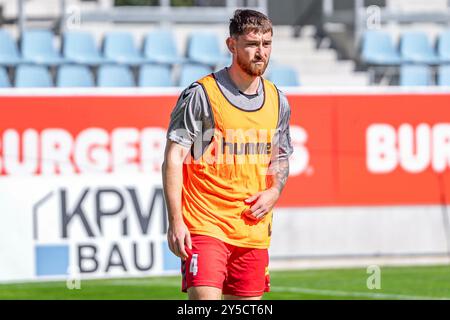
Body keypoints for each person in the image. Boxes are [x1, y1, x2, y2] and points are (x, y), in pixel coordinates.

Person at [162, 9, 293, 300]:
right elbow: (173, 157)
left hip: (252, 231)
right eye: (251, 44)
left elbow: (281, 157)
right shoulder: (202, 94)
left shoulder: (277, 100)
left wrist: (275, 190)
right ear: (231, 45)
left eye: (267, 44)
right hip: (206, 224)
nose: (261, 52)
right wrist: (175, 220)